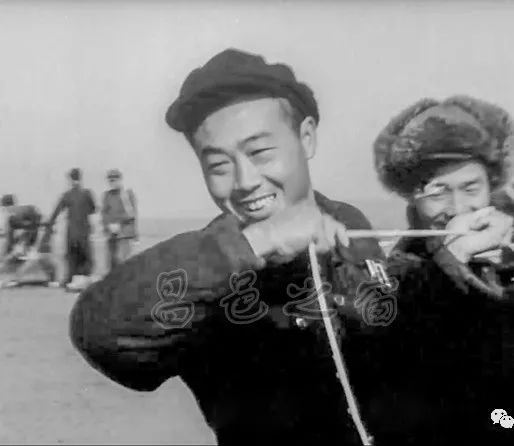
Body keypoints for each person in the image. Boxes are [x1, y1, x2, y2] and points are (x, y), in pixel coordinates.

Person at [69, 49, 394, 445]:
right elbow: (99, 331)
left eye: (260, 153)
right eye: (218, 166)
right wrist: (257, 241)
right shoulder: (206, 272)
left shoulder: (350, 223)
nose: (244, 181)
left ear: (306, 137)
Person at [372, 96, 514, 443]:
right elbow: (437, 356)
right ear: (413, 196)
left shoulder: (505, 259)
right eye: (438, 192)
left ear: (491, 188)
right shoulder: (400, 272)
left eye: (471, 188)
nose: (458, 208)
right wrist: (456, 256)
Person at [46, 168, 96, 290]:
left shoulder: (67, 195)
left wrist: (49, 225)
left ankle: (69, 280)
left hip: (72, 232)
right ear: (80, 178)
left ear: (70, 179)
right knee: (85, 257)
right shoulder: (87, 194)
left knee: (71, 257)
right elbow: (93, 209)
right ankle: (84, 280)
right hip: (84, 231)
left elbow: (56, 212)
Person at [101, 169, 137, 271]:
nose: (112, 182)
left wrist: (118, 223)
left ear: (120, 180)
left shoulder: (127, 195)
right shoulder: (107, 195)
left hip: (124, 234)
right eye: (110, 180)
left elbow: (131, 214)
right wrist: (108, 225)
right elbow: (104, 213)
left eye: (114, 180)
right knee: (111, 263)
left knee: (123, 262)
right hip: (112, 234)